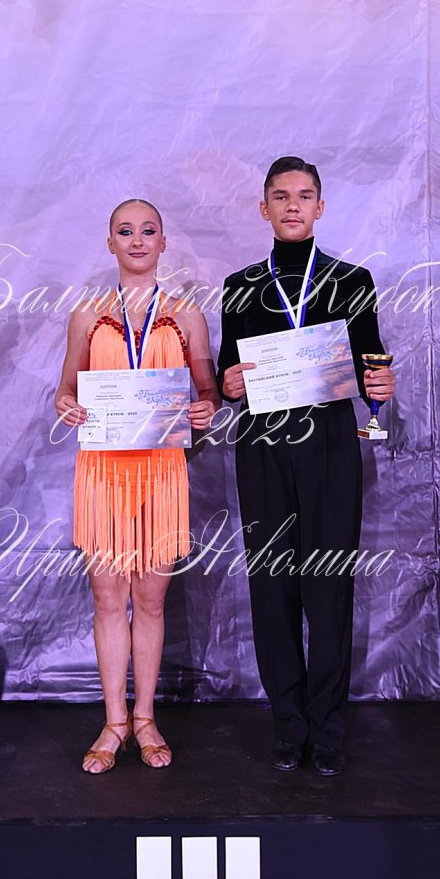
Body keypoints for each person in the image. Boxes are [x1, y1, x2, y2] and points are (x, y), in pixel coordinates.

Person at [217, 157, 396, 776]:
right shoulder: (240, 286)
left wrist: (381, 387)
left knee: (329, 587)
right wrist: (229, 384)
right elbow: (228, 372)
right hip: (262, 446)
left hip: (329, 446)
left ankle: (327, 726)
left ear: (320, 207)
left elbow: (372, 366)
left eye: (304, 195)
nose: (292, 205)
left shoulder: (352, 280)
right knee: (272, 587)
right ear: (263, 208)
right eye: (280, 196)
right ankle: (288, 724)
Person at [55, 199, 220, 774]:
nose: (137, 240)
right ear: (110, 243)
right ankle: (113, 723)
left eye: (148, 230)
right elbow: (65, 389)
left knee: (150, 601)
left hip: (161, 472)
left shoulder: (186, 315)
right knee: (107, 600)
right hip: (103, 472)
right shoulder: (86, 314)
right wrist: (67, 404)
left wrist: (206, 406)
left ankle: (145, 718)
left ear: (163, 242)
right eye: (125, 231)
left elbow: (208, 389)